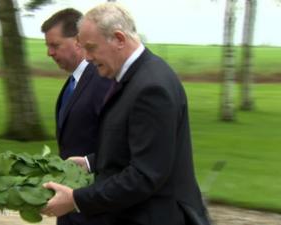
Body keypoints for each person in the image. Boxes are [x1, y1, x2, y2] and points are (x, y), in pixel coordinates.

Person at [42, 3, 211, 225]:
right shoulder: (135, 76)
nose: (88, 57)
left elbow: (145, 175)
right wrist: (91, 162)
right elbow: (134, 146)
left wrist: (77, 200)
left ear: (119, 39)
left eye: (91, 48)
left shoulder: (151, 87)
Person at [41, 8, 110, 225]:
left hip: (92, 209)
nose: (49, 53)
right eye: (47, 46)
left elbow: (115, 144)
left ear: (78, 41)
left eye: (55, 45)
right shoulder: (74, 83)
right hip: (70, 204)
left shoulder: (101, 80)